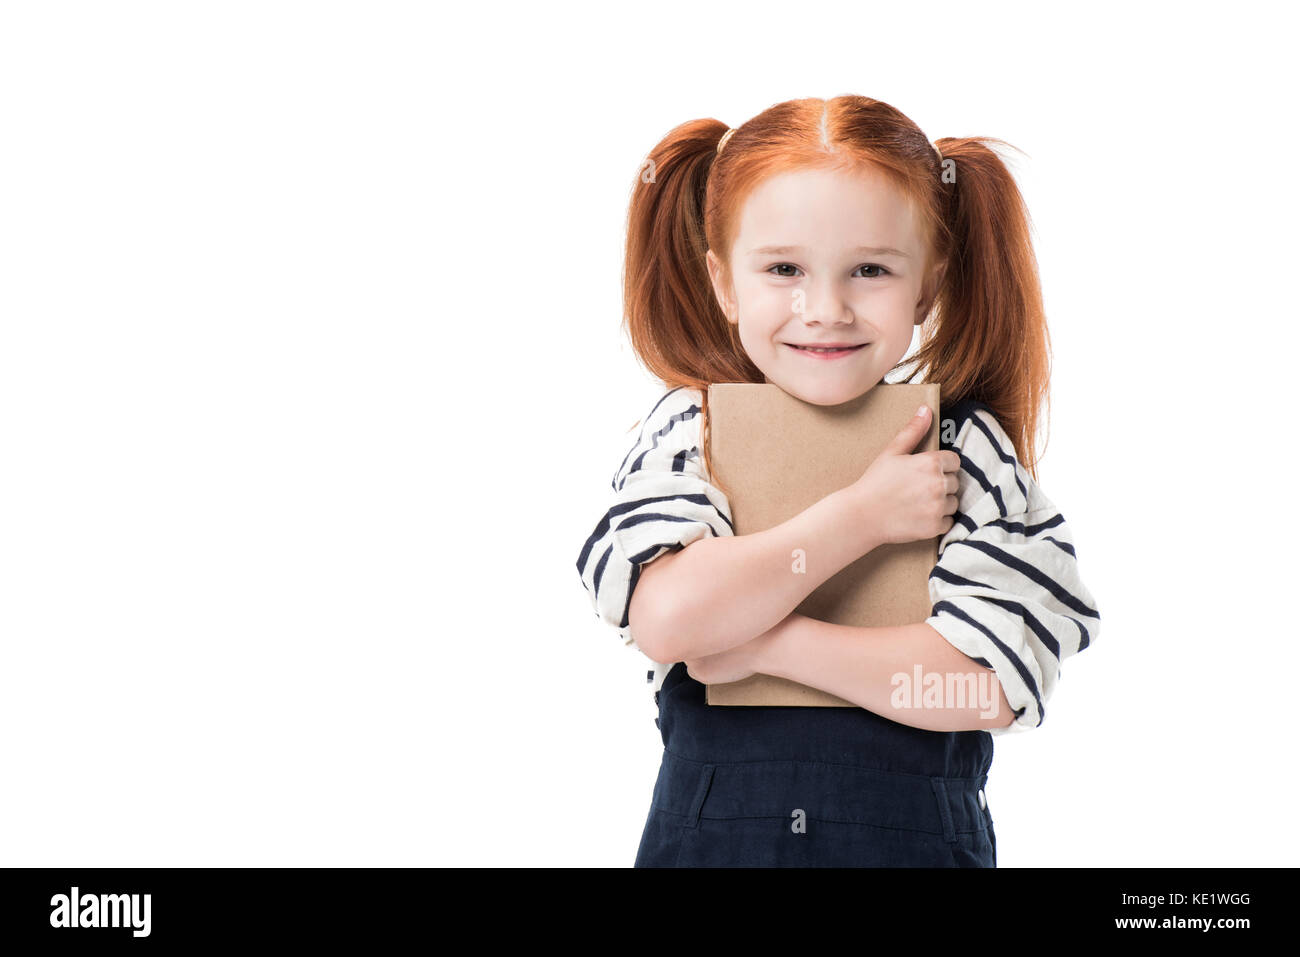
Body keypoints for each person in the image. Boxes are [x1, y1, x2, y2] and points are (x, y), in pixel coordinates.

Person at [575, 95, 1101, 867]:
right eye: (784, 269)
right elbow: (670, 617)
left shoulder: (966, 454)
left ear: (928, 286)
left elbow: (985, 689)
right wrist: (862, 516)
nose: (824, 309)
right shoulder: (693, 431)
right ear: (725, 284)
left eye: (871, 269)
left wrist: (772, 646)